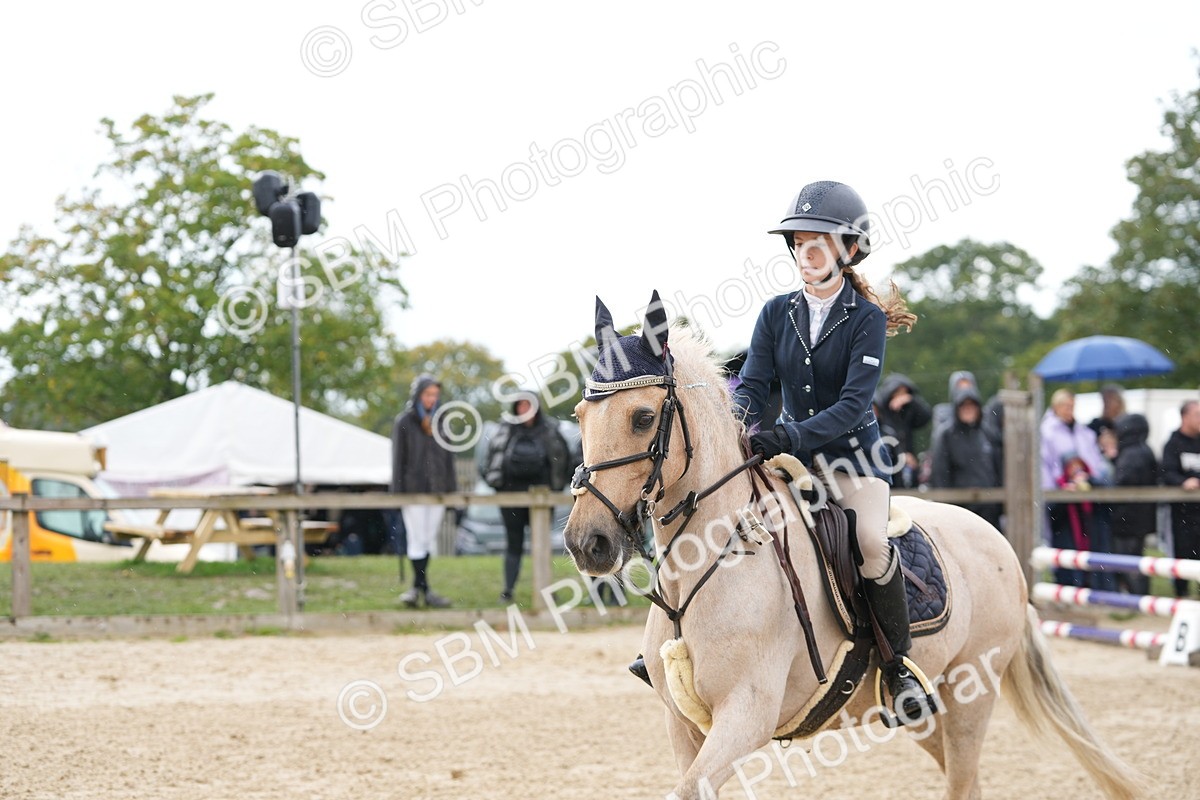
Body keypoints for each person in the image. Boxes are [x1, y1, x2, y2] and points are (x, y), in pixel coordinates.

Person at [732, 180, 933, 724]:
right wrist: (742, 424)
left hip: (853, 460)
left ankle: (899, 668)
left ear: (848, 250)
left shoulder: (865, 320)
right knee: (727, 520)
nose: (806, 252)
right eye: (799, 242)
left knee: (869, 539)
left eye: (818, 242)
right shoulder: (776, 313)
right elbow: (752, 384)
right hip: (793, 459)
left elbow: (852, 405)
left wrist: (788, 435)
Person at [482, 391, 571, 602]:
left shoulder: (550, 429)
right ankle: (508, 591)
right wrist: (495, 484)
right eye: (521, 405)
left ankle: (546, 590)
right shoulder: (504, 430)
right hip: (510, 498)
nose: (525, 410)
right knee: (513, 544)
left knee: (542, 545)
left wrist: (557, 487)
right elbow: (488, 461)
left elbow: (564, 459)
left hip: (543, 497)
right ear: (515, 408)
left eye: (529, 405)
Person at [392, 374, 458, 608]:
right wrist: (398, 491)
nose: (432, 399)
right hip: (414, 489)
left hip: (438, 489)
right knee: (416, 539)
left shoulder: (442, 421)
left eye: (435, 395)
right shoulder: (405, 421)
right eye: (428, 394)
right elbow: (398, 459)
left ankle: (419, 588)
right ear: (419, 395)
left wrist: (452, 490)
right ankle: (422, 588)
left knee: (428, 539)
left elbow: (449, 458)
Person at [1040, 389, 1111, 588]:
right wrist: (1053, 491)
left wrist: (1093, 479)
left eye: (1072, 406)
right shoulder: (1047, 432)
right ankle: (1067, 583)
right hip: (1062, 498)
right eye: (1065, 406)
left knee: (1090, 540)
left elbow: (1094, 460)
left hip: (1085, 497)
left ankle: (1091, 582)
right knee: (1065, 542)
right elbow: (1044, 465)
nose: (1069, 410)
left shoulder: (1083, 432)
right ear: (1056, 407)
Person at [928, 381, 1002, 530]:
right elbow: (939, 473)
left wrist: (999, 502)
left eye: (972, 406)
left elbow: (999, 468)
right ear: (957, 408)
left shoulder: (988, 433)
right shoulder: (946, 435)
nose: (968, 410)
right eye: (964, 406)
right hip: (959, 509)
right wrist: (945, 506)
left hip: (989, 508)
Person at [1110, 413, 1159, 595]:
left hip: (1127, 518)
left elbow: (1122, 481)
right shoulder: (1144, 450)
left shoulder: (1132, 453)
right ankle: (1138, 594)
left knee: (1128, 560)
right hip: (1139, 517)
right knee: (1136, 558)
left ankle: (1136, 596)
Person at [1161, 399, 1200, 598]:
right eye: (1197, 414)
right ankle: (1181, 595)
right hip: (1182, 512)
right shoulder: (1173, 443)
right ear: (1185, 417)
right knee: (1183, 553)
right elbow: (1166, 473)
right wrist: (1184, 482)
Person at [874, 373, 932, 489]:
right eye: (897, 392)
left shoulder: (908, 411)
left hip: (909, 467)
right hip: (889, 466)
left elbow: (926, 416)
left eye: (904, 393)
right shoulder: (881, 415)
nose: (901, 396)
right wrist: (901, 455)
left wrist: (912, 400)